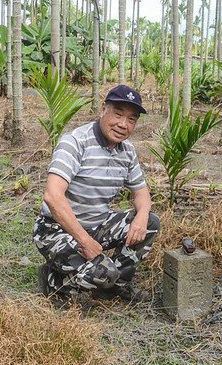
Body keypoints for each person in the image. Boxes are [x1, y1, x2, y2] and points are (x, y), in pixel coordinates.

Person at [34, 84, 160, 305]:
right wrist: (85, 241)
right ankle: (54, 280)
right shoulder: (75, 142)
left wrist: (141, 217)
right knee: (104, 274)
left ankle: (113, 288)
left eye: (131, 119)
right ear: (103, 109)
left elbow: (141, 193)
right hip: (57, 230)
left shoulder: (127, 151)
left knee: (150, 221)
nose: (123, 124)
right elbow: (53, 196)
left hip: (97, 225)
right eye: (118, 114)